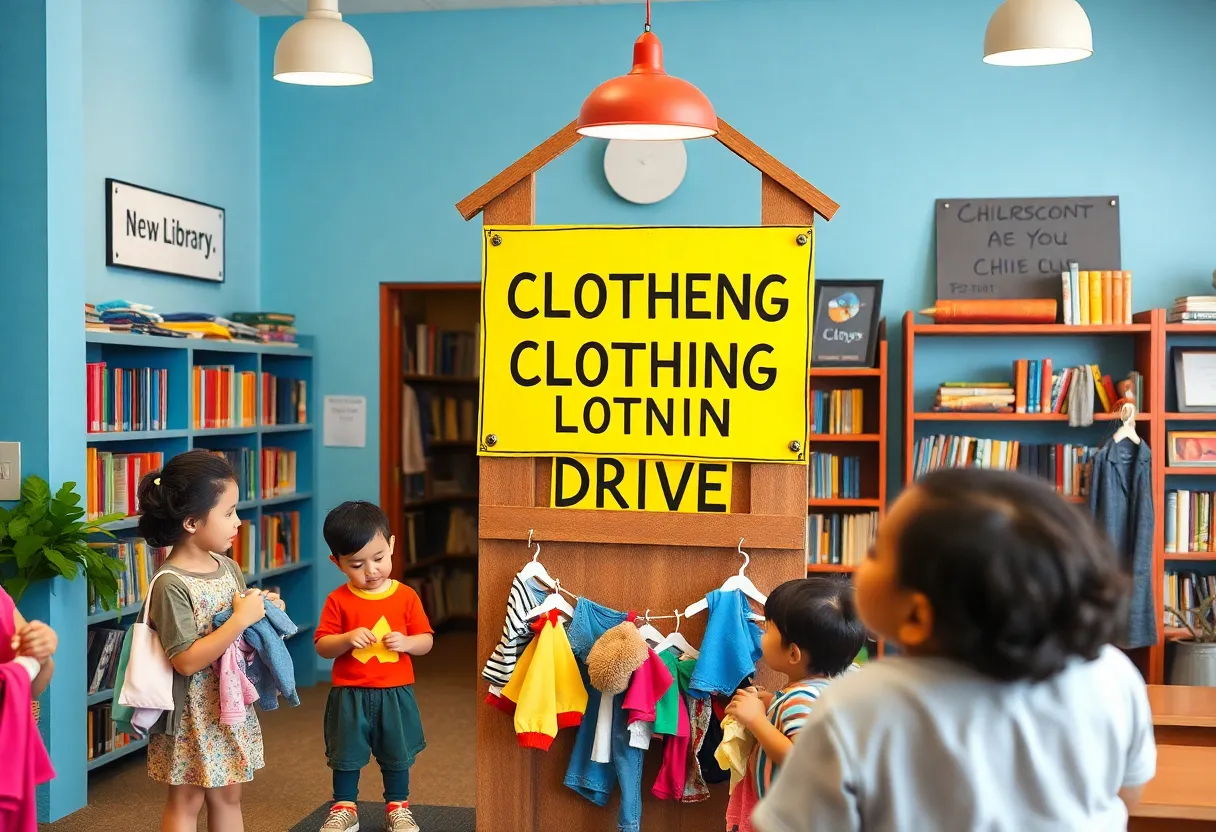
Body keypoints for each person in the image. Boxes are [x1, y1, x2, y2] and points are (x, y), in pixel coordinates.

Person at [753, 468, 1155, 832]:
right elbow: (1127, 793)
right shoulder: (1113, 673)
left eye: (875, 552)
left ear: (917, 617)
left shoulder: (858, 703)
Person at [138, 450, 284, 832]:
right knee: (187, 800)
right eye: (229, 512)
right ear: (191, 522)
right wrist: (240, 619)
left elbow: (239, 626)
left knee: (229, 795)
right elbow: (185, 660)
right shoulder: (170, 583)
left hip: (228, 705)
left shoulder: (228, 567)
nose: (238, 522)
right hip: (190, 714)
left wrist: (261, 609)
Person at [314, 501, 434, 832]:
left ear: (392, 545)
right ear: (337, 562)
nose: (371, 571)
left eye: (379, 558)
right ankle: (344, 807)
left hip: (395, 692)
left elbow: (426, 641)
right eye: (357, 564)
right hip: (349, 694)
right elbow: (322, 646)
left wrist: (407, 643)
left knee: (397, 753)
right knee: (345, 754)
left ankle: (398, 807)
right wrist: (346, 639)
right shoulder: (338, 600)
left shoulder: (406, 596)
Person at [723, 577, 865, 832]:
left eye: (768, 630)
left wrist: (756, 720)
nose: (762, 634)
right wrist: (773, 704)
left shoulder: (801, 698)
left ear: (793, 653)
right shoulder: (828, 687)